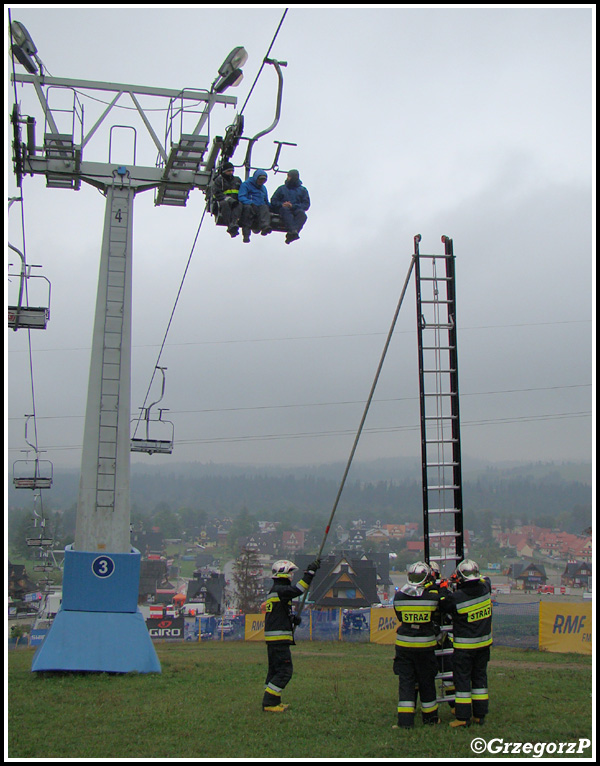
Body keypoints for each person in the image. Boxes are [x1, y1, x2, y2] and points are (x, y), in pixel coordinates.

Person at [261, 557, 321, 713]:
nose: (292, 577)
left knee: (274, 671)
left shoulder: (276, 591)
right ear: (283, 574)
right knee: (285, 671)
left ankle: (274, 701)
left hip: (274, 639)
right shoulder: (281, 590)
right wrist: (310, 573)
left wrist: (292, 619)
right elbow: (299, 589)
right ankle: (269, 702)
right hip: (279, 639)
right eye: (290, 574)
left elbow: (278, 614)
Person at [439, 559, 492, 728]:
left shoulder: (457, 598)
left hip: (464, 648)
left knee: (462, 681)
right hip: (484, 645)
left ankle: (462, 717)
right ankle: (479, 715)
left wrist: (443, 587)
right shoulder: (485, 589)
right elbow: (486, 580)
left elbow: (443, 604)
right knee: (479, 679)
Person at [392, 561, 440, 729]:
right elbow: (436, 617)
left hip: (404, 647)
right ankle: (431, 718)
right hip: (426, 647)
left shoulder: (398, 597)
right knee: (427, 682)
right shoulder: (432, 598)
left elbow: (400, 617)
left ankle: (405, 722)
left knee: (406, 682)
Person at [270, 169, 310, 244]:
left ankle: (293, 233)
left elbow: (306, 204)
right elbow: (273, 201)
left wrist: (293, 206)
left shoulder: (302, 190)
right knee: (285, 211)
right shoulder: (282, 189)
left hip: (296, 209)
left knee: (302, 215)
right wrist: (282, 204)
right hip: (283, 210)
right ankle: (293, 231)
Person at [238, 169, 272, 243]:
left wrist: (274, 207)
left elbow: (266, 201)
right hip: (250, 205)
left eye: (263, 180)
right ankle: (246, 235)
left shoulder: (263, 188)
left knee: (265, 208)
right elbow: (241, 196)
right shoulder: (246, 185)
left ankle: (265, 227)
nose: (261, 182)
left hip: (260, 207)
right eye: (260, 179)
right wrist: (250, 203)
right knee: (248, 211)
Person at [211, 161, 242, 237]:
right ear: (224, 171)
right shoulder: (218, 181)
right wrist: (228, 199)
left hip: (235, 202)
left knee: (239, 205)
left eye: (232, 171)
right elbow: (217, 193)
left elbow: (242, 191)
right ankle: (230, 225)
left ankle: (234, 224)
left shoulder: (237, 180)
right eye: (229, 171)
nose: (231, 172)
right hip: (222, 202)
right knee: (224, 204)